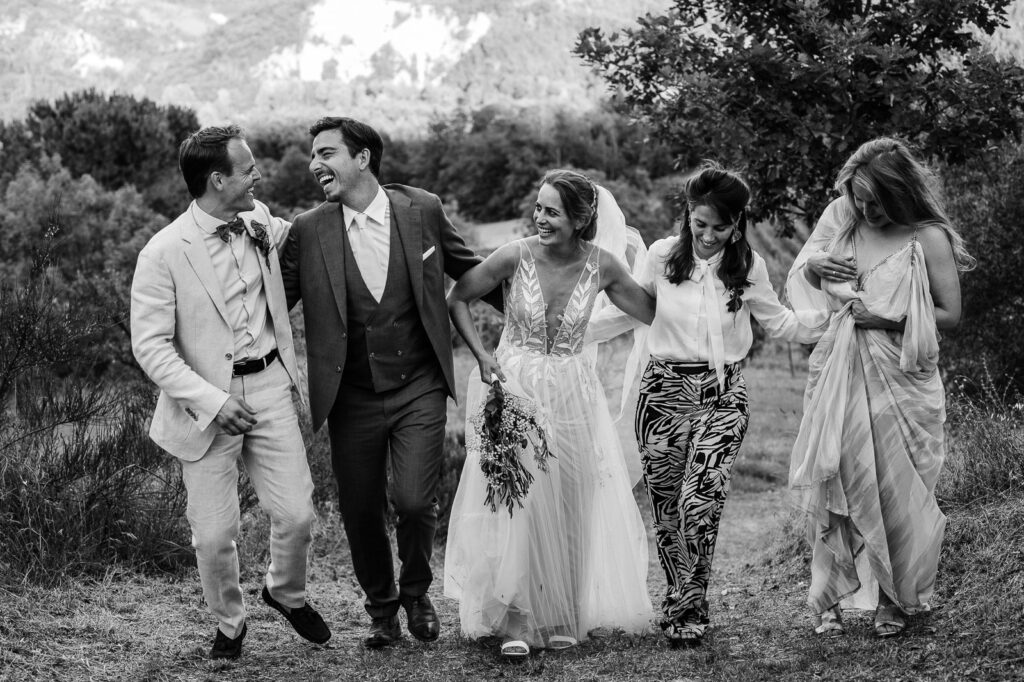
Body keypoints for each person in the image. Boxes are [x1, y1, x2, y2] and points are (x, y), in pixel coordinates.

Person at [279, 116, 500, 649]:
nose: (315, 165)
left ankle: (416, 591)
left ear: (362, 158)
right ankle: (381, 609)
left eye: (326, 153)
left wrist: (539, 317)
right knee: (359, 510)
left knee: (415, 500)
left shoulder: (421, 207)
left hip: (418, 383)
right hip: (349, 392)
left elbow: (472, 269)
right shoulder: (308, 230)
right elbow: (269, 301)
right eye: (313, 155)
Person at [130, 125, 329, 660]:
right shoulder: (163, 252)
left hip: (269, 384)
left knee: (297, 514)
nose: (258, 174)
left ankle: (284, 592)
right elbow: (150, 349)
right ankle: (230, 621)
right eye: (248, 168)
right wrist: (214, 402)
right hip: (204, 406)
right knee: (215, 536)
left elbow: (312, 237)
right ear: (218, 180)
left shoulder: (259, 219)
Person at [443, 170, 655, 658]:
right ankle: (517, 619)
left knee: (571, 500)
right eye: (538, 208)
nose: (540, 218)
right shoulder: (514, 255)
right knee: (517, 503)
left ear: (581, 219)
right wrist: (483, 355)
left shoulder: (604, 265)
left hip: (574, 393)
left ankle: (562, 613)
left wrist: (672, 270)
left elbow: (651, 312)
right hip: (515, 387)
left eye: (552, 211)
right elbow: (458, 298)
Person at [786, 137, 973, 638]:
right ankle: (828, 597)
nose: (865, 209)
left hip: (903, 380)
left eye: (874, 201)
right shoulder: (843, 216)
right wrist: (814, 265)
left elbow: (950, 315)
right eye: (858, 198)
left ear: (900, 192)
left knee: (896, 490)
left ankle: (892, 597)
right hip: (840, 372)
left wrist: (887, 317)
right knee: (838, 476)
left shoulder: (926, 237)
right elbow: (807, 270)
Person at [634, 163, 824, 646]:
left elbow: (779, 322)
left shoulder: (748, 266)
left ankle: (687, 606)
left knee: (702, 502)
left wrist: (835, 318)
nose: (709, 235)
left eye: (721, 226)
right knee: (667, 508)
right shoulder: (660, 256)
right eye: (700, 224)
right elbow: (625, 309)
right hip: (661, 393)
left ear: (738, 222)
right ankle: (682, 598)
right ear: (688, 215)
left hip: (723, 396)